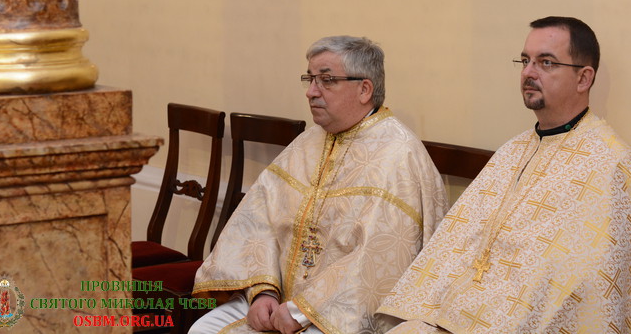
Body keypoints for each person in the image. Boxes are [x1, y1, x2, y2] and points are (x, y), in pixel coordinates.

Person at [377, 17, 631, 333]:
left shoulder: (613, 165)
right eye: (525, 61)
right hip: (450, 317)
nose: (528, 72)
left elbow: (593, 288)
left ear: (583, 78)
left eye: (546, 62)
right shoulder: (513, 150)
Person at [190, 36, 448, 334]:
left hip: (339, 314)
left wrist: (300, 312)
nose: (311, 92)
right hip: (277, 293)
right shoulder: (309, 141)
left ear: (364, 89)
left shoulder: (399, 155)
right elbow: (259, 219)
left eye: (326, 80)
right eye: (310, 79)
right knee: (203, 329)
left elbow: (376, 264)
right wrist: (263, 292)